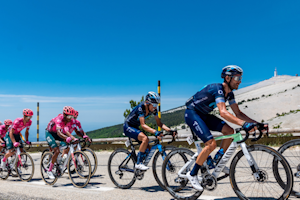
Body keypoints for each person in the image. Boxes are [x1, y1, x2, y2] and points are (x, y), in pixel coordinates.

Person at [184, 65, 268, 191]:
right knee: (210, 144)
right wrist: (244, 124)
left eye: (241, 78)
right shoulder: (218, 89)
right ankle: (192, 175)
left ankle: (217, 160)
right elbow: (223, 112)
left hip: (205, 115)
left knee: (229, 131)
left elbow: (239, 113)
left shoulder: (230, 94)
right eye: (237, 78)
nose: (240, 81)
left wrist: (257, 124)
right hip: (192, 114)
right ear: (228, 78)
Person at [123, 91, 176, 170]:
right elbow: (143, 125)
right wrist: (155, 132)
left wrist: (170, 130)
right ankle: (138, 163)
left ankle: (138, 161)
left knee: (149, 148)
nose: (155, 107)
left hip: (135, 127)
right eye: (154, 105)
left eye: (156, 105)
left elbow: (159, 124)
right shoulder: (141, 107)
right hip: (128, 126)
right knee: (145, 138)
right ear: (148, 103)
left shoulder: (154, 110)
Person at [45, 106, 78, 179]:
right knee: (56, 151)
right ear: (64, 114)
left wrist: (73, 138)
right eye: (69, 116)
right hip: (50, 133)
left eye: (71, 116)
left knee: (68, 146)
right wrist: (67, 138)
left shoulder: (69, 120)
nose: (70, 118)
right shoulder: (59, 119)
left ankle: (60, 162)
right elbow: (59, 132)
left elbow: (67, 131)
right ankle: (49, 170)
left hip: (57, 133)